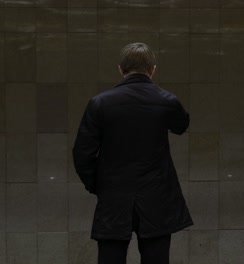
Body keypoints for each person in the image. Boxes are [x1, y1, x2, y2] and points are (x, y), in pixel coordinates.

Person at [72, 42, 193, 264]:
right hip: (157, 197)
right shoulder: (166, 100)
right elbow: (181, 125)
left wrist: (98, 185)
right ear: (153, 69)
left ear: (121, 69)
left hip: (114, 197)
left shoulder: (100, 103)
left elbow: (82, 154)